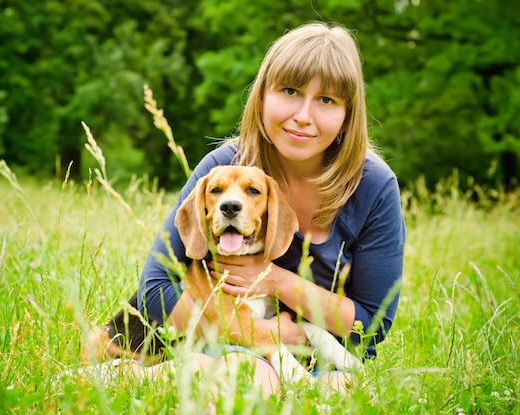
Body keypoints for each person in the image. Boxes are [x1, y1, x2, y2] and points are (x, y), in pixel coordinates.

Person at [134, 21, 406, 397]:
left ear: (347, 115)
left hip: (329, 354)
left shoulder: (375, 187)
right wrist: (263, 336)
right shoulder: (223, 168)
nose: (303, 116)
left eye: (327, 100)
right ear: (262, 96)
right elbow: (154, 290)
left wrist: (276, 281)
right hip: (230, 344)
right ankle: (130, 374)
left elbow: (371, 325)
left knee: (339, 395)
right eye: (290, 91)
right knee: (243, 376)